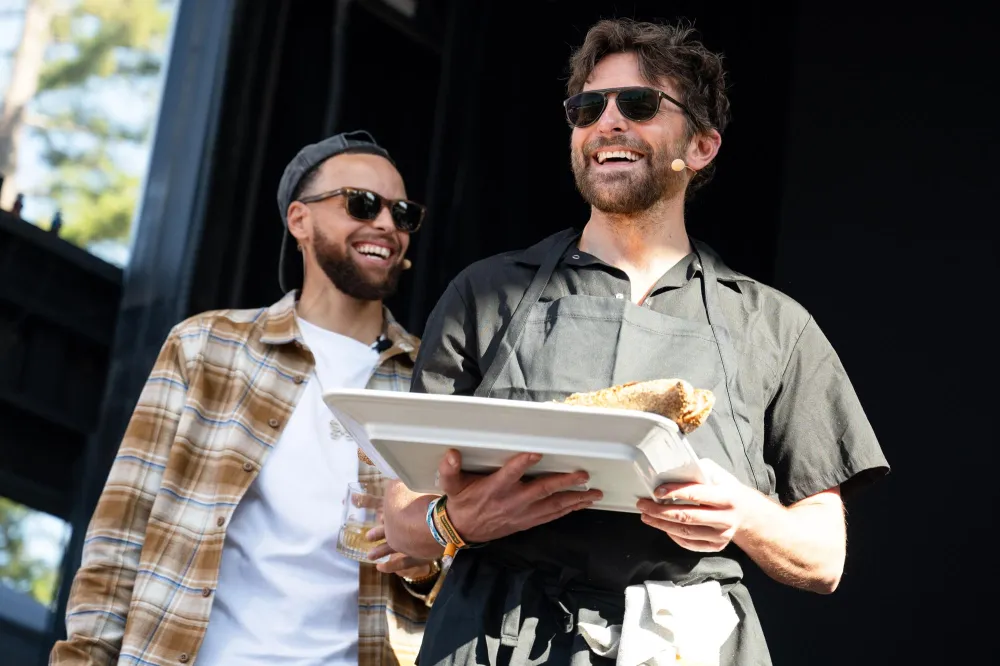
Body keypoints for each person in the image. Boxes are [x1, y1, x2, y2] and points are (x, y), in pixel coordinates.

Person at [382, 18, 890, 666]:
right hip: (491, 637)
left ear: (702, 147)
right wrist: (453, 523)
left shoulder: (776, 328)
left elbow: (823, 557)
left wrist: (742, 513)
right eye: (588, 107)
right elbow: (401, 517)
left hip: (687, 644)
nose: (608, 123)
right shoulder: (486, 295)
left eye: (640, 104)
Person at [50, 130, 440, 666]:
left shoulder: (431, 383)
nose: (385, 225)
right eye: (362, 203)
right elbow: (120, 536)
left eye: (402, 213)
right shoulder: (206, 346)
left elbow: (453, 577)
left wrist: (423, 558)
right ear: (300, 221)